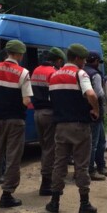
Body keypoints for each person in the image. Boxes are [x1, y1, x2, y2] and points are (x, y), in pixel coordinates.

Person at [45, 44, 99, 213]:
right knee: (81, 165)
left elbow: (50, 99)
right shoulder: (79, 73)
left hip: (60, 125)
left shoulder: (53, 75)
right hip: (79, 125)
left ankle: (54, 202)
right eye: (83, 59)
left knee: (59, 164)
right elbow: (91, 94)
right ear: (76, 59)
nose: (84, 63)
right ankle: (84, 203)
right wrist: (96, 110)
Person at [0, 40, 33, 208]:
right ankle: (7, 195)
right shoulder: (23, 73)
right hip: (16, 120)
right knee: (13, 158)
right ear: (19, 54)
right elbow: (26, 101)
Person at [30, 47, 66, 196]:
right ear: (58, 60)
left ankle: (46, 181)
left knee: (44, 147)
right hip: (49, 113)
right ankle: (46, 184)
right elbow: (56, 96)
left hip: (36, 113)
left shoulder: (36, 70)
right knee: (50, 149)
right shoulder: (53, 73)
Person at [84, 51, 107, 180]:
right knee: (94, 143)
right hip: (95, 112)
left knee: (101, 141)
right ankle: (91, 169)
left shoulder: (82, 72)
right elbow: (99, 94)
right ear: (95, 61)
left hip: (88, 111)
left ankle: (101, 166)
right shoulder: (95, 74)